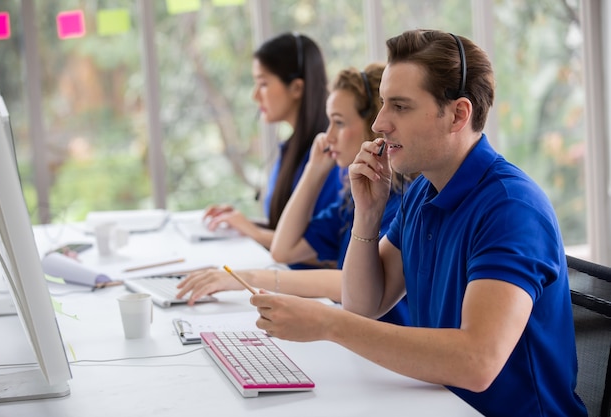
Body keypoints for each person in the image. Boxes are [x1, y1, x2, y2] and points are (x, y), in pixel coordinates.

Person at [248, 29, 588, 417]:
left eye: (400, 107)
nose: (379, 124)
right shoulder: (423, 193)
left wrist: (329, 324)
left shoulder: (512, 209)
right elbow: (365, 304)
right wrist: (369, 212)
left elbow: (476, 362)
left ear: (458, 114)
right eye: (382, 105)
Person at [177, 63, 411, 325]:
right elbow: (284, 251)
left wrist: (248, 279)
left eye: (339, 123)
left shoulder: (403, 204)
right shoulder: (353, 200)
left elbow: (352, 285)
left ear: (374, 127)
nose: (328, 136)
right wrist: (314, 171)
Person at [203, 32, 342, 261]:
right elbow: (286, 227)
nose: (255, 95)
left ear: (297, 88)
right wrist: (244, 222)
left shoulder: (329, 158)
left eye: (263, 83)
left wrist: (253, 231)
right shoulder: (291, 149)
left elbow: (322, 251)